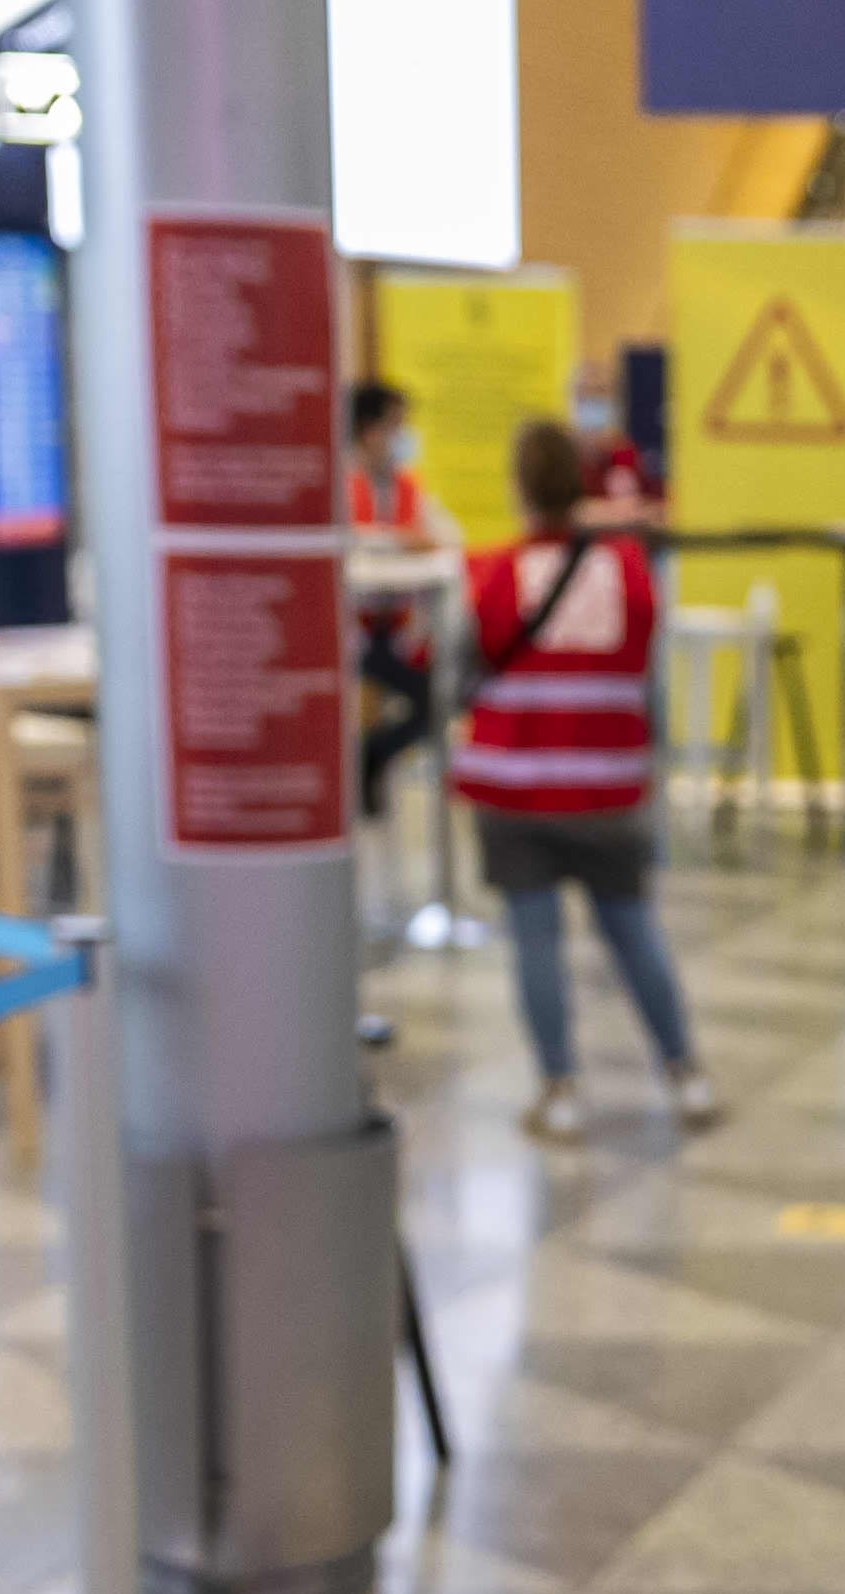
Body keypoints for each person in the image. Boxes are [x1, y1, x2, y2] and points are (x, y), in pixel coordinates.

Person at [455, 417, 715, 1144]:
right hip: (606, 786)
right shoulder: (628, 572)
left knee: (535, 942)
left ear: (518, 487)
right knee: (632, 930)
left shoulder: (493, 574)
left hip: (513, 788)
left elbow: (459, 669)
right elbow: (644, 674)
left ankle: (561, 1090)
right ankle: (685, 1072)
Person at [346, 379, 460, 819]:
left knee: (436, 702)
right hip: (350, 634)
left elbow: (445, 540)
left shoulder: (411, 489)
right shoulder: (340, 484)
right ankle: (361, 765)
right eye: (396, 426)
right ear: (369, 431)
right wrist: (397, 542)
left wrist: (404, 542)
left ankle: (372, 755)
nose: (403, 436)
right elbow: (348, 542)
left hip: (400, 633)